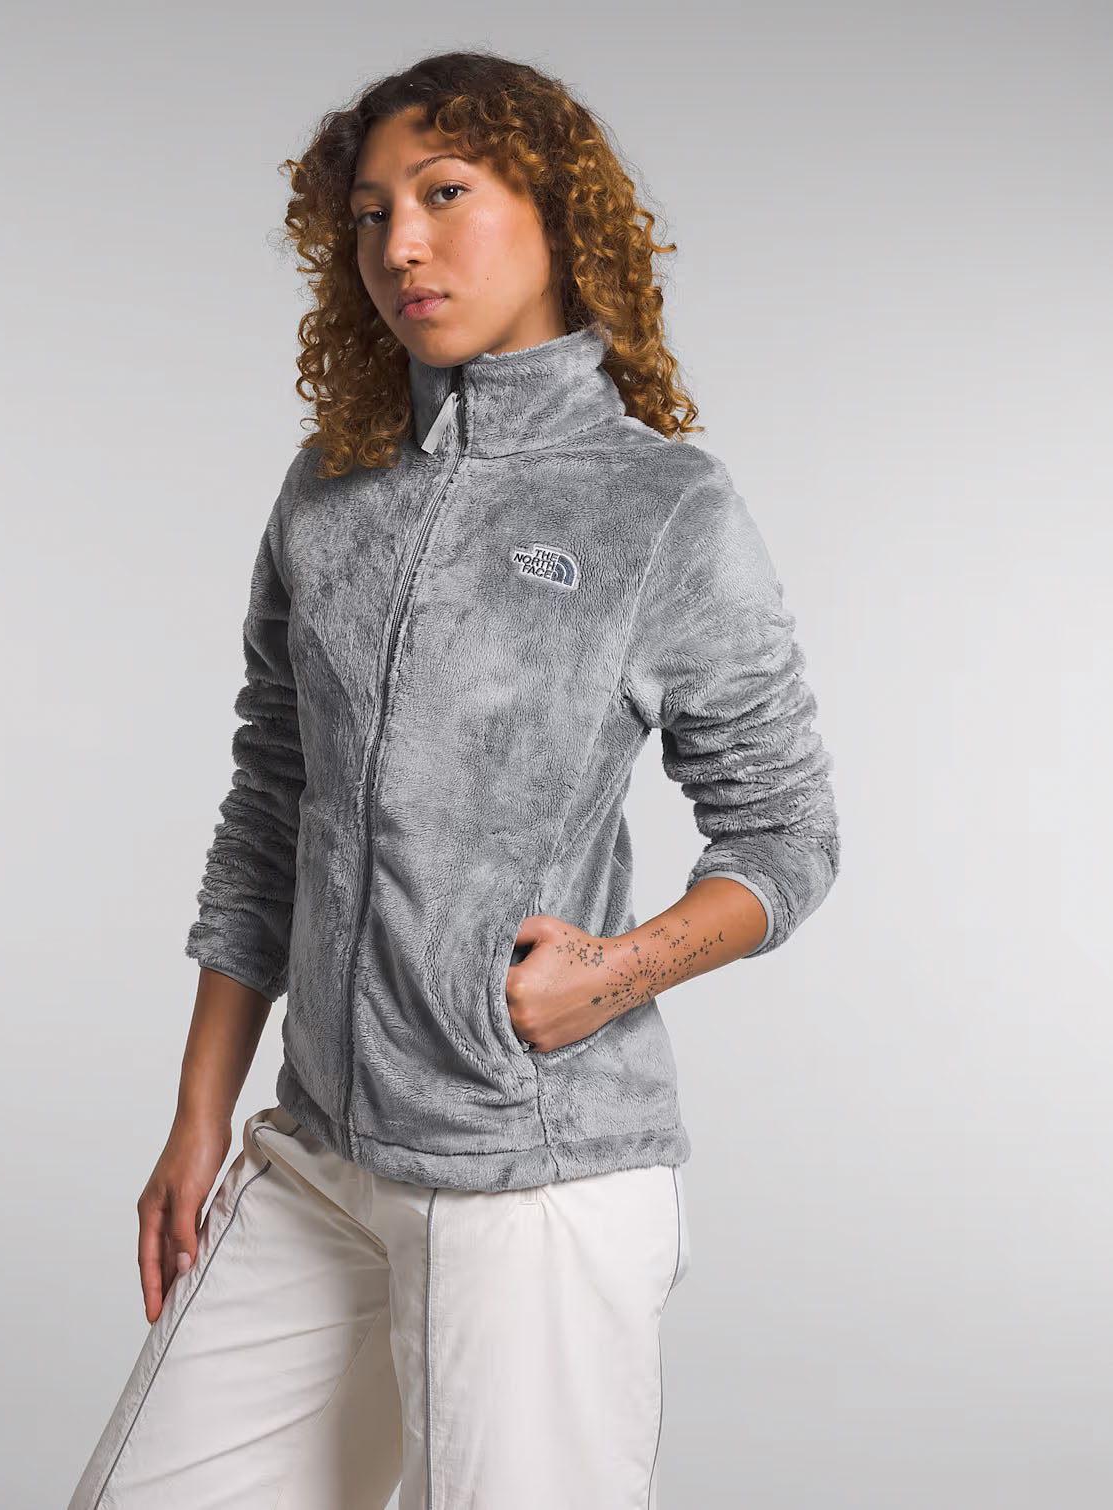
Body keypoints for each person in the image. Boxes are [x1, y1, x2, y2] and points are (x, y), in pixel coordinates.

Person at [67, 49, 840, 1510]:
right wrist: (197, 1114)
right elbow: (270, 808)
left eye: (443, 195)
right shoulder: (329, 491)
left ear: (556, 213)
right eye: (369, 215)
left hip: (531, 1172)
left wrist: (616, 971)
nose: (399, 247)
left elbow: (788, 833)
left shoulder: (660, 507)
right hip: (319, 1153)